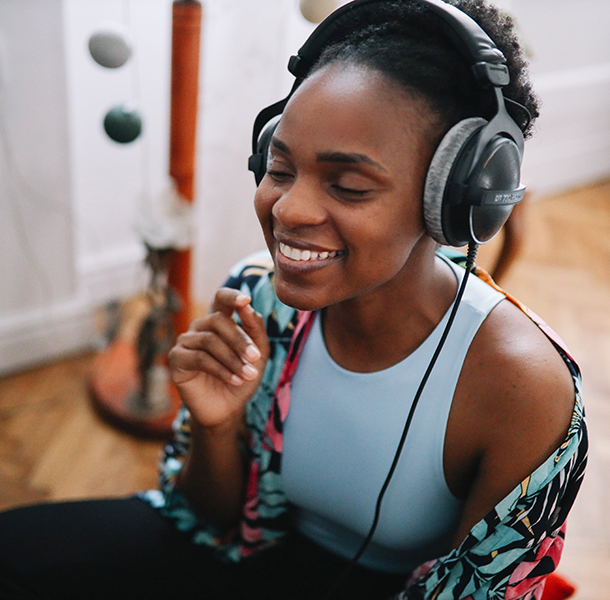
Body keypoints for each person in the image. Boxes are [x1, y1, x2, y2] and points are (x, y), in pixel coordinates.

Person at [0, 1, 587, 599]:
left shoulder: (524, 389)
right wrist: (218, 427)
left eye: (348, 185)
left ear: (458, 197)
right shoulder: (260, 297)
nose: (287, 210)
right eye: (280, 169)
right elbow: (205, 519)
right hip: (254, 554)